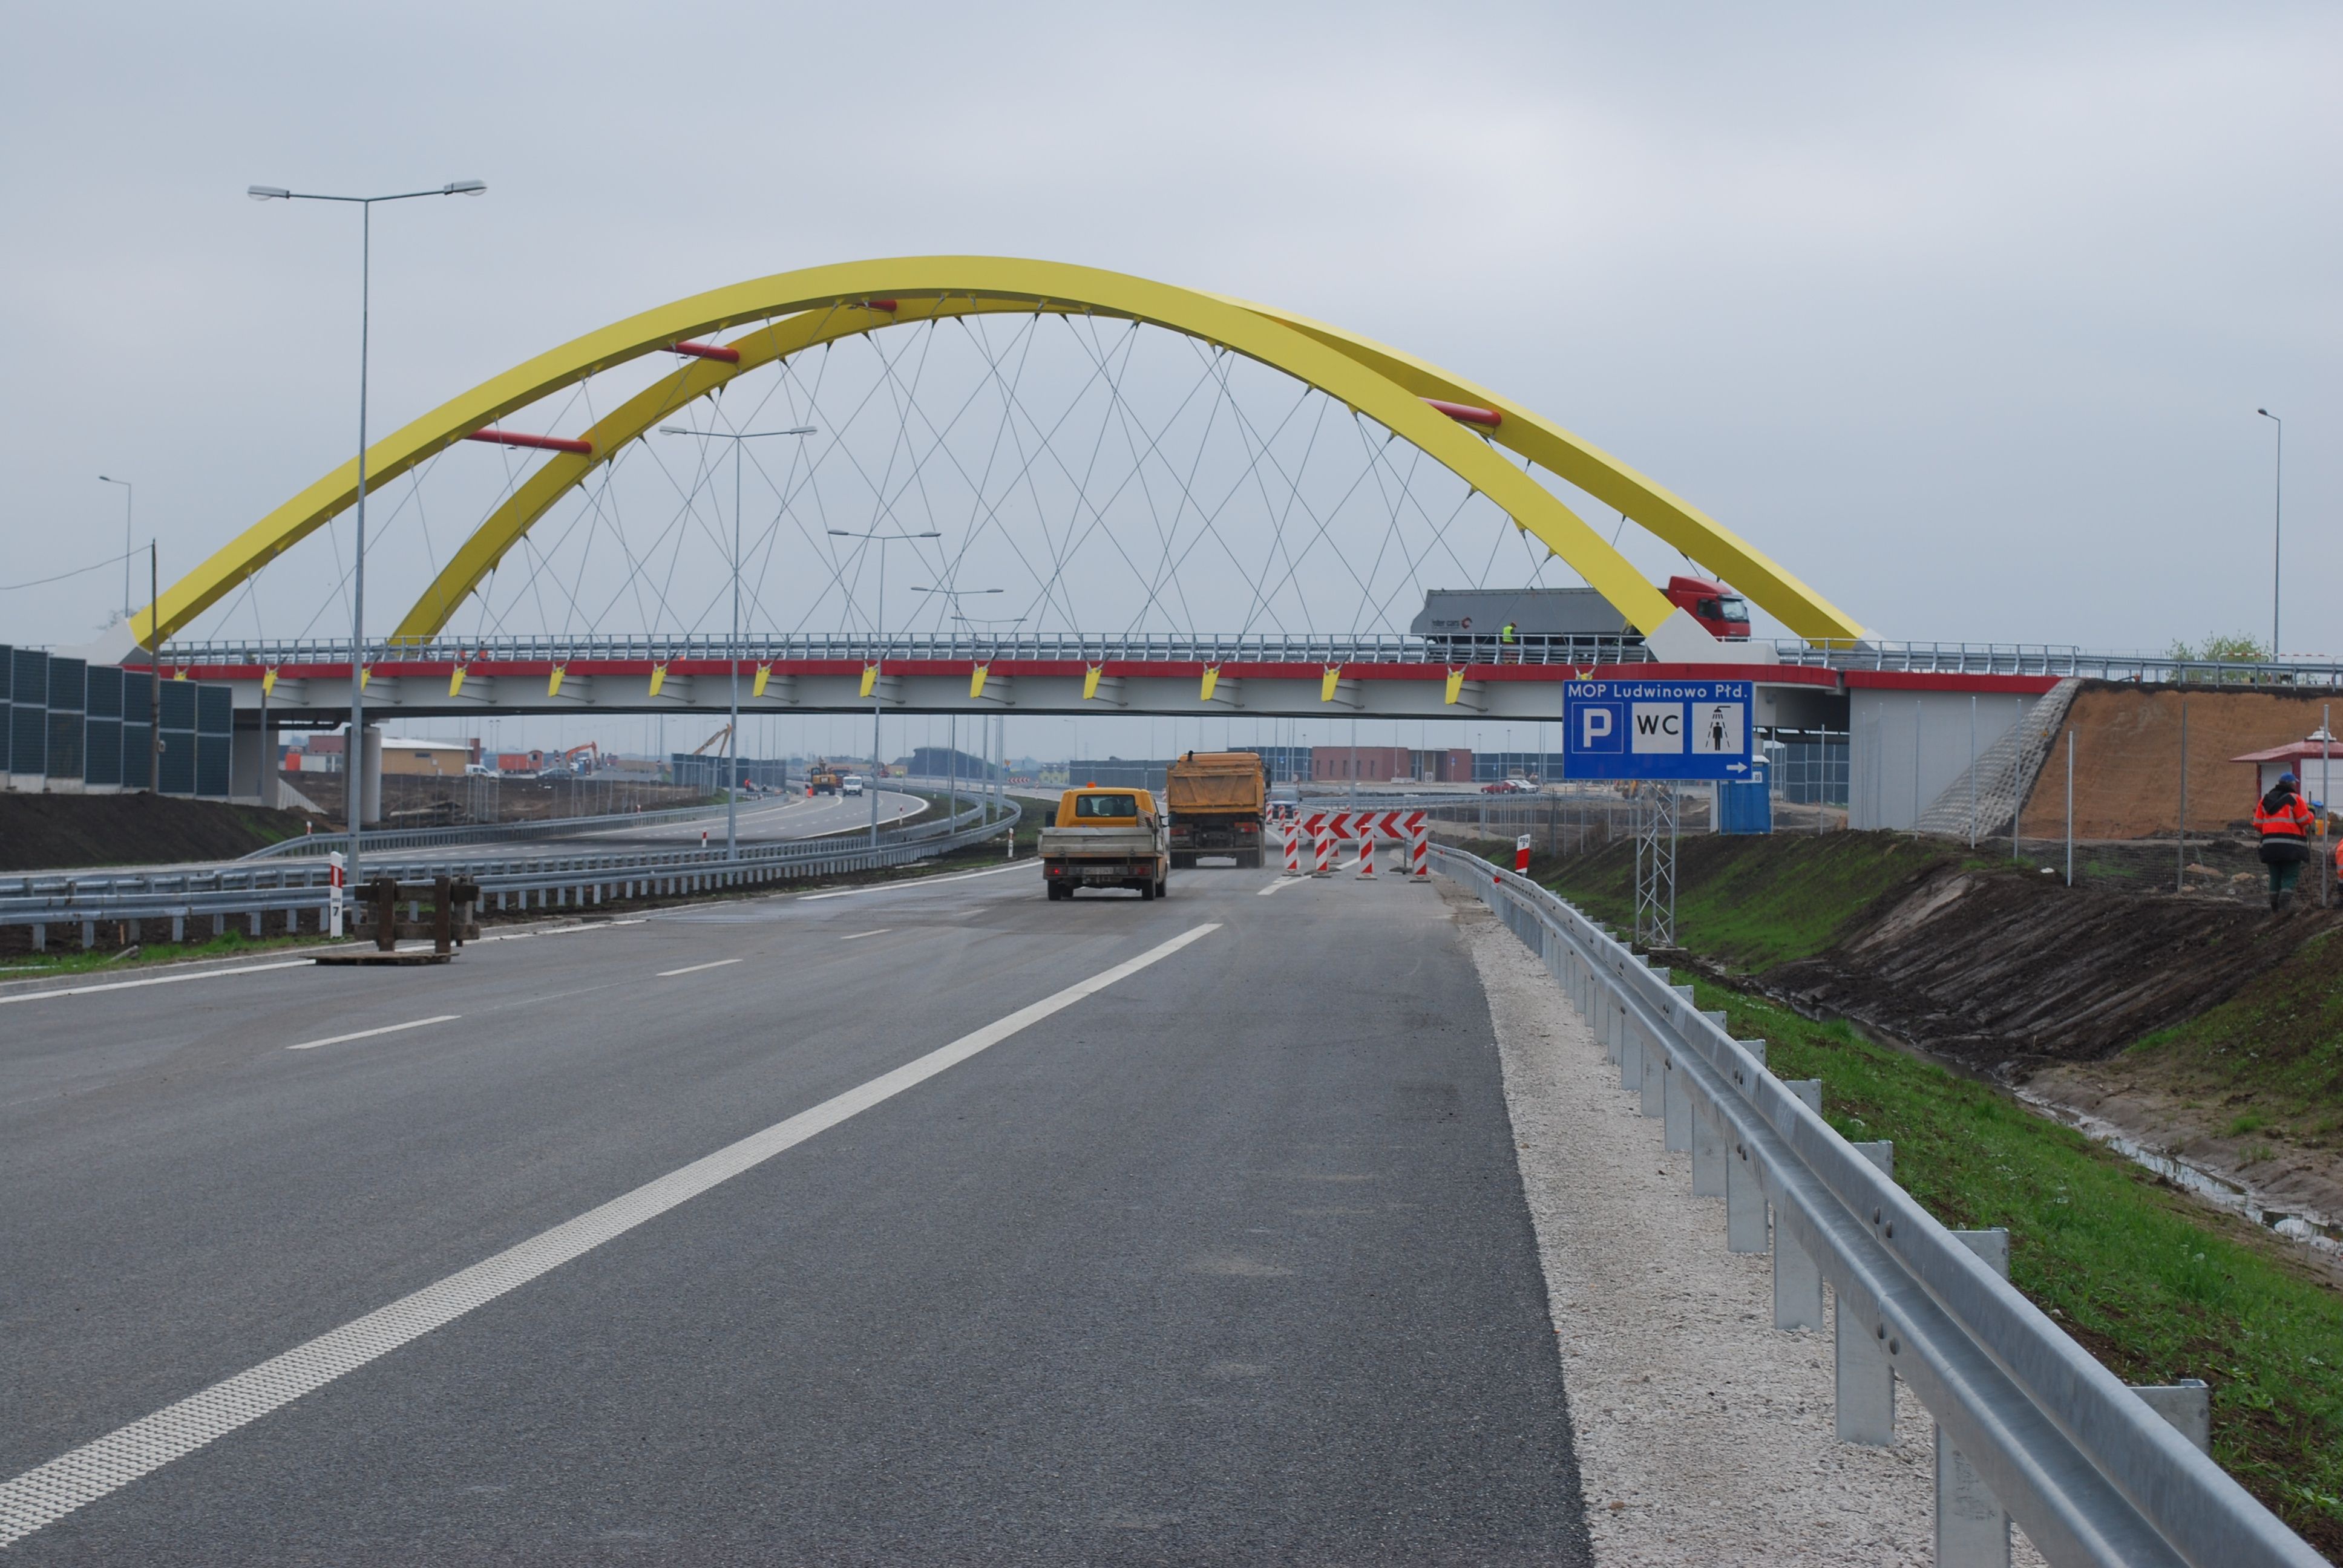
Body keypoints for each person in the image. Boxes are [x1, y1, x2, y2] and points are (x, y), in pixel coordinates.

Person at [2253, 770, 2317, 912]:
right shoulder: (2295, 799)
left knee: (2275, 876)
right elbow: (2304, 821)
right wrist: (2312, 813)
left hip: (2270, 846)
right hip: (2291, 846)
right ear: (2292, 784)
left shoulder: (2265, 800)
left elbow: (2257, 824)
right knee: (2290, 875)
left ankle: (2274, 908)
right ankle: (2284, 906)